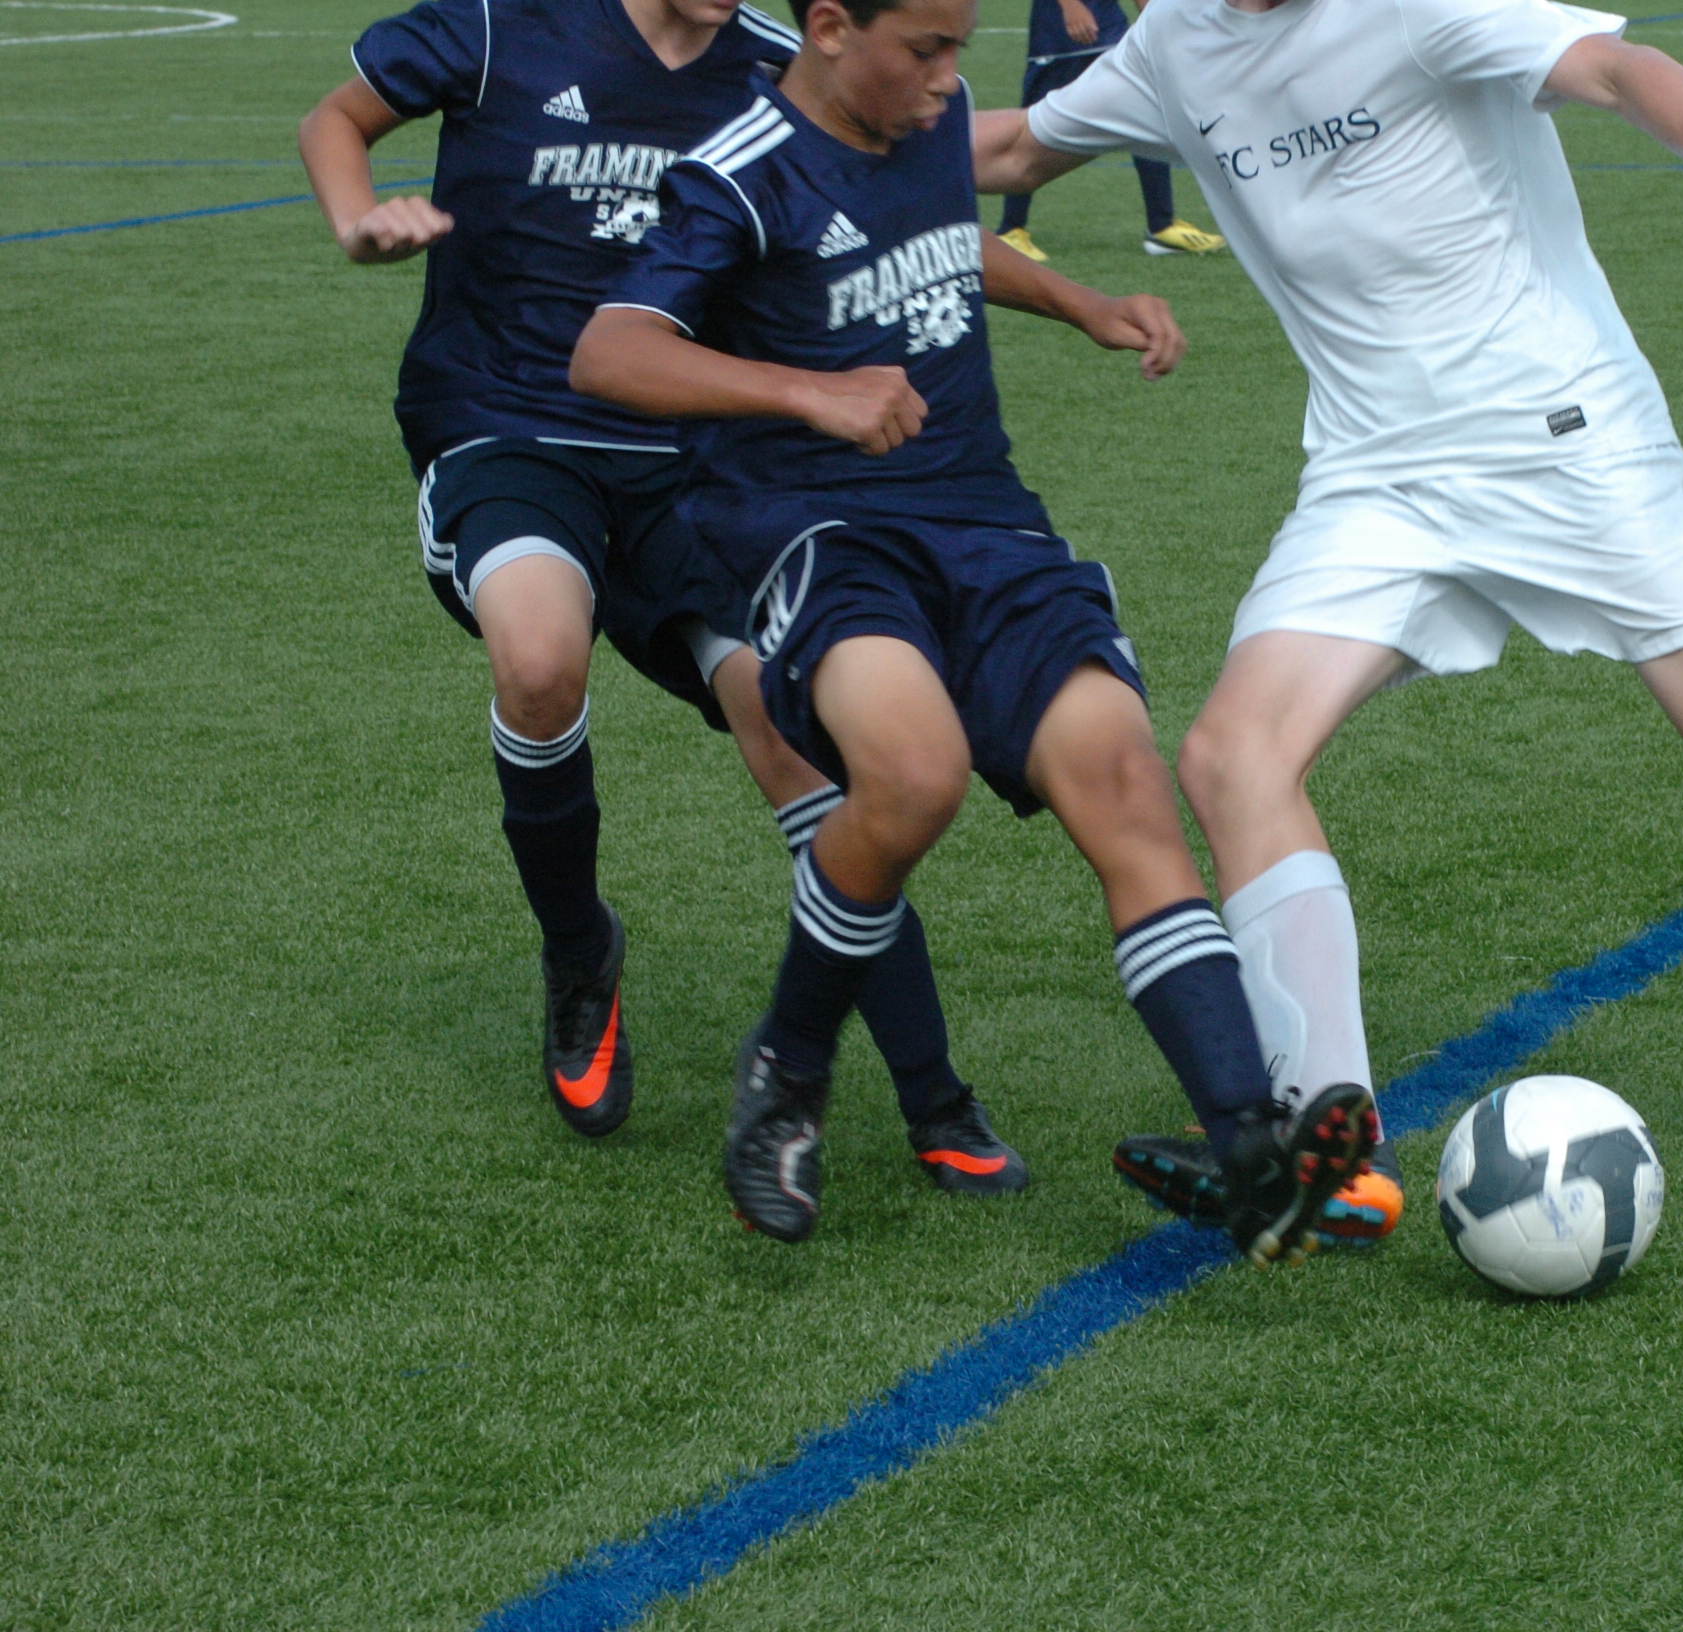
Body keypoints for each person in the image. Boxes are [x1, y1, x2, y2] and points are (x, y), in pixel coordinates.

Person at [969, 0, 1683, 1244]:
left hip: (1565, 439)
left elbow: (1609, 66)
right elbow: (1014, 148)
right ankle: (1334, 1152)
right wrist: (820, 130)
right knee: (1233, 755)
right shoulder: (1178, 40)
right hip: (1376, 479)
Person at [567, 0, 1378, 1256]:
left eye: (962, 48)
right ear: (829, 29)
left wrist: (1079, 301)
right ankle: (788, 1068)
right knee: (914, 773)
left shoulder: (925, 127)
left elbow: (946, 243)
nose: (952, 82)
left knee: (1121, 775)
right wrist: (811, 393)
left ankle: (1245, 1143)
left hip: (986, 524)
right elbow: (610, 353)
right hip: (822, 532)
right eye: (927, 51)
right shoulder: (738, 174)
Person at [298, 0, 1030, 1196]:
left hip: (693, 459)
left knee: (797, 737)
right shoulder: (501, 24)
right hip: (507, 427)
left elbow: (923, 223)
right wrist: (357, 217)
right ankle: (580, 955)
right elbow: (337, 118)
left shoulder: (773, 67)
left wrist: (1080, 302)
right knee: (540, 659)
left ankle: (932, 1090)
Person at [992, 0, 1224, 261]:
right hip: (1058, 35)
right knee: (1032, 130)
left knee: (1142, 112)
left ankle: (1161, 226)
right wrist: (1070, 6)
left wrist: (1152, 13)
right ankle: (1010, 229)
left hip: (1110, 26)